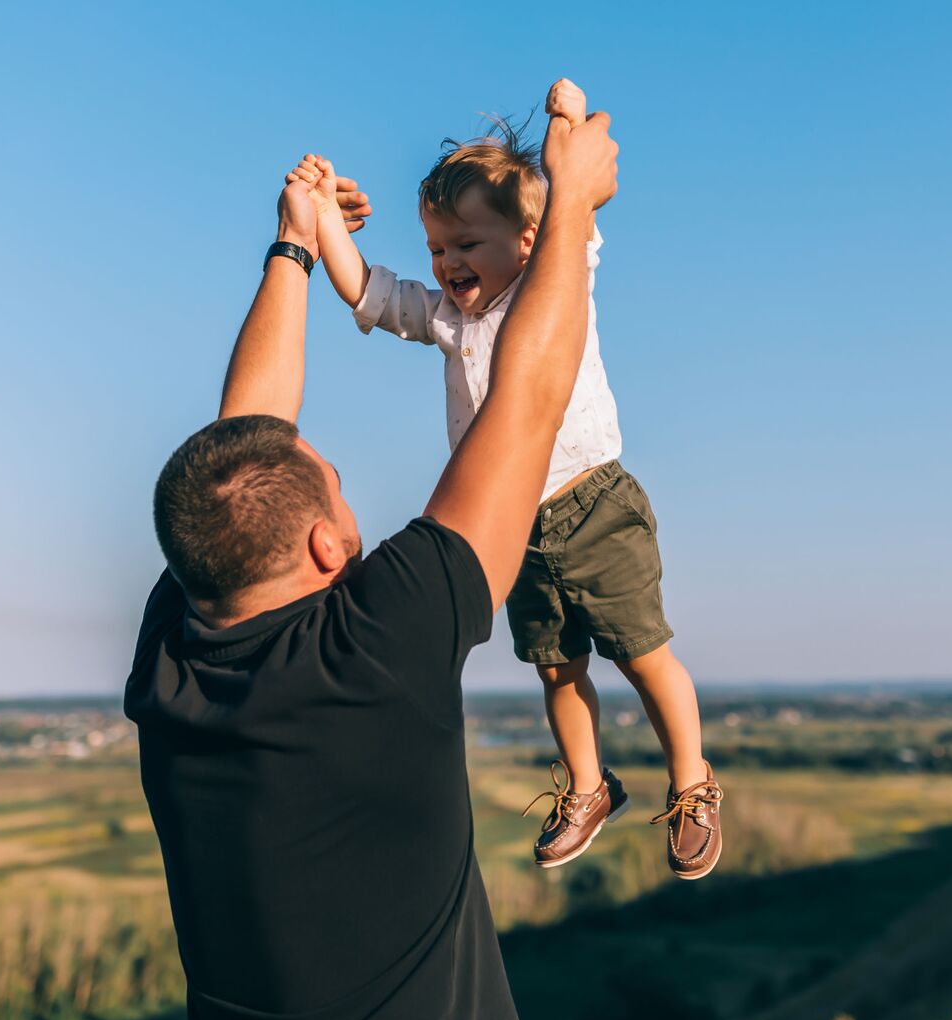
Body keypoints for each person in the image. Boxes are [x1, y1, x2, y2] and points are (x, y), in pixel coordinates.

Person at [124, 84, 618, 1020]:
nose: (349, 496)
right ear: (322, 545)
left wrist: (296, 244)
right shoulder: (375, 646)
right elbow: (529, 396)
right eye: (336, 484)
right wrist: (567, 209)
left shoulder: (179, 649)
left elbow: (243, 450)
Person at [296, 78, 722, 880]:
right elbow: (370, 291)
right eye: (437, 249)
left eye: (465, 243)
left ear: (527, 240)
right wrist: (320, 220)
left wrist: (565, 116)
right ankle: (590, 788)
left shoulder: (552, 280)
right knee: (556, 667)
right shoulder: (452, 321)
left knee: (643, 654)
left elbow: (575, 211)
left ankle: (693, 783)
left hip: (594, 501)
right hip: (516, 522)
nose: (447, 262)